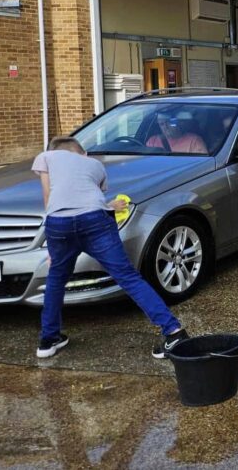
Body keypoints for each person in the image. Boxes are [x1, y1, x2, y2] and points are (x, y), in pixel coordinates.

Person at [32, 136, 189, 359]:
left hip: (59, 224)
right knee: (128, 277)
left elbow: (50, 199)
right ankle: (174, 332)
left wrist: (52, 249)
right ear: (82, 153)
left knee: (56, 278)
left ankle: (48, 340)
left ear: (53, 151)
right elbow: (88, 200)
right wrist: (110, 207)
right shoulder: (95, 164)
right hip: (95, 221)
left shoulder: (45, 157)